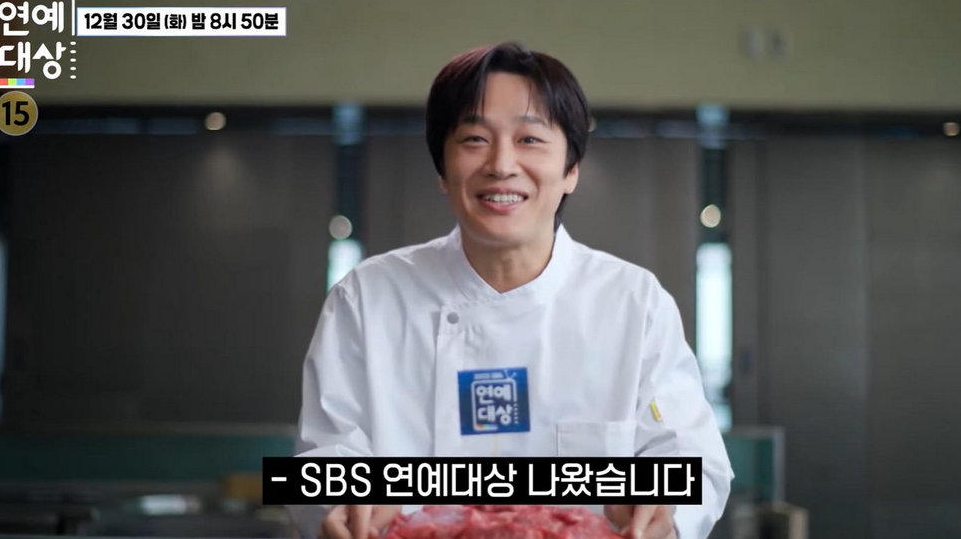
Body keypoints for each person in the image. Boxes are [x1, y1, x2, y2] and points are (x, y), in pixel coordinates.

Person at [294, 42, 733, 539]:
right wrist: (344, 499)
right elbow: (323, 456)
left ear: (571, 170)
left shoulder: (633, 302)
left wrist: (662, 505)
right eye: (475, 139)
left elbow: (691, 458)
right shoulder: (367, 298)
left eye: (529, 139)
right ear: (442, 170)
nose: (501, 164)